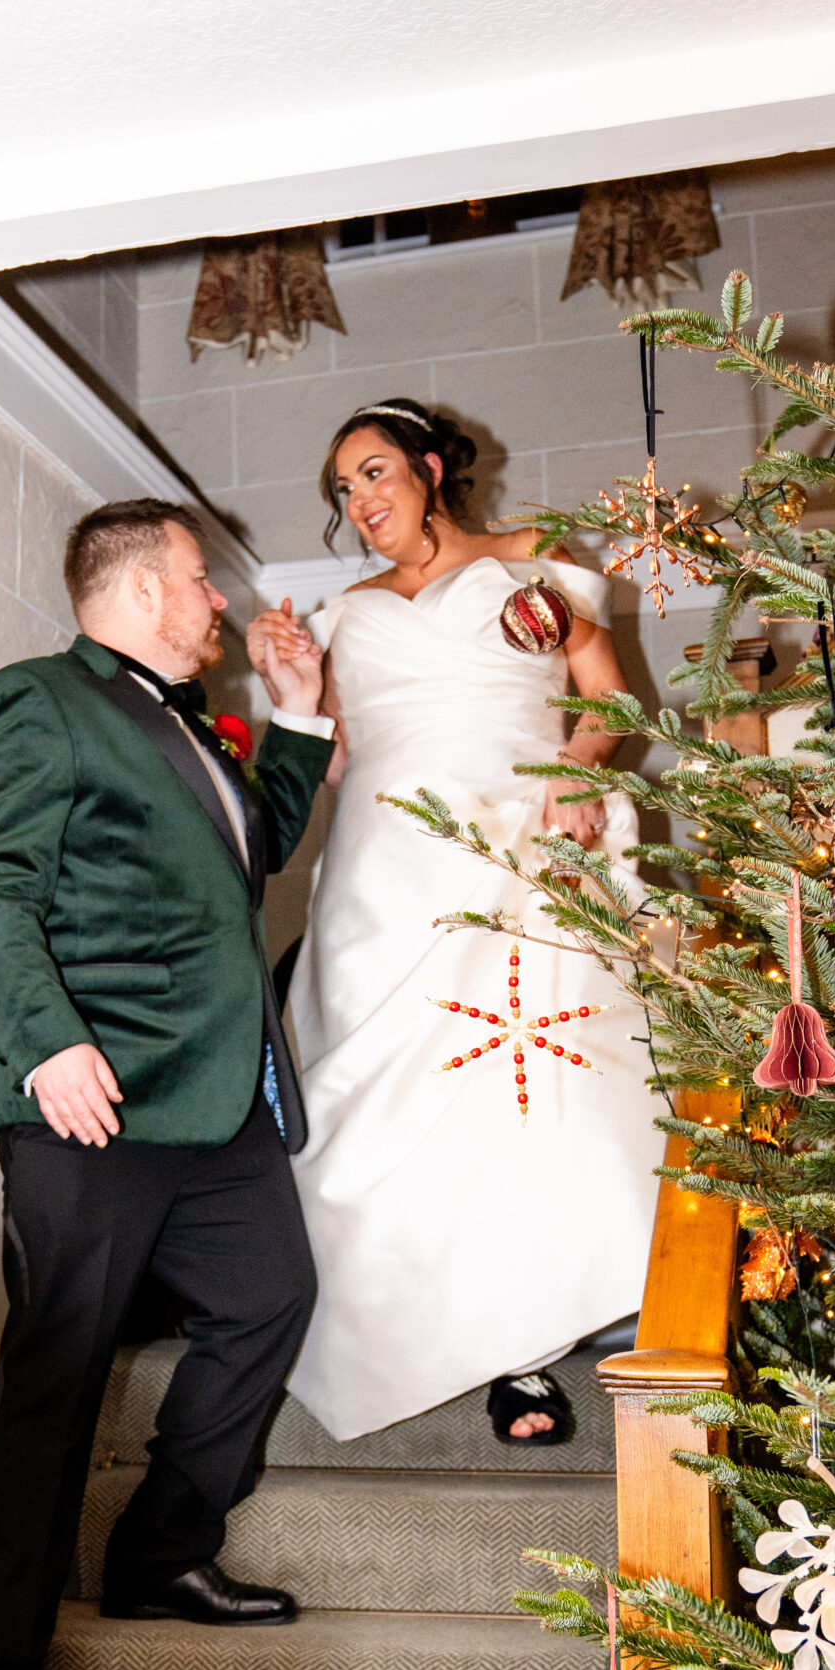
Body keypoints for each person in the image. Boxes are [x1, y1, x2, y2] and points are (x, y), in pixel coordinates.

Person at [0, 497, 332, 1670]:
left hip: (217, 1103)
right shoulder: (38, 699)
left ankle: (159, 1552)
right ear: (140, 590)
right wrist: (47, 1039)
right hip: (89, 1098)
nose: (218, 600)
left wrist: (300, 716)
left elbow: (251, 851)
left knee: (269, 1299)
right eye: (198, 579)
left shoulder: (195, 730)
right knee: (52, 1384)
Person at [278, 399, 660, 1446]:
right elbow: (340, 759)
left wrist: (576, 769)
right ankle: (413, 1327)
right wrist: (289, 686)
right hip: (382, 872)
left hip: (514, 842)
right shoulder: (346, 612)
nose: (360, 499)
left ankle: (526, 1350)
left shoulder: (531, 556)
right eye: (343, 488)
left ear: (431, 468)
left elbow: (610, 696)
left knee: (525, 1094)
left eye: (373, 471)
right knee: (382, 1104)